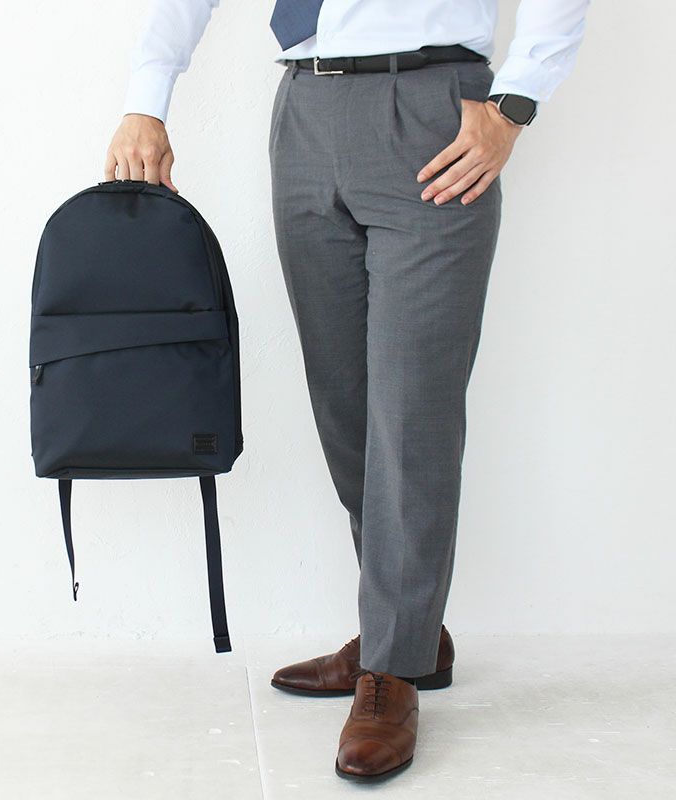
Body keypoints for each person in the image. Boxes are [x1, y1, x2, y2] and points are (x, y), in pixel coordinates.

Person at [105, 0, 590, 783]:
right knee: (346, 407)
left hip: (433, 109)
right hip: (304, 108)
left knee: (412, 410)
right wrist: (146, 100)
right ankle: (409, 632)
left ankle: (392, 667)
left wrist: (516, 102)